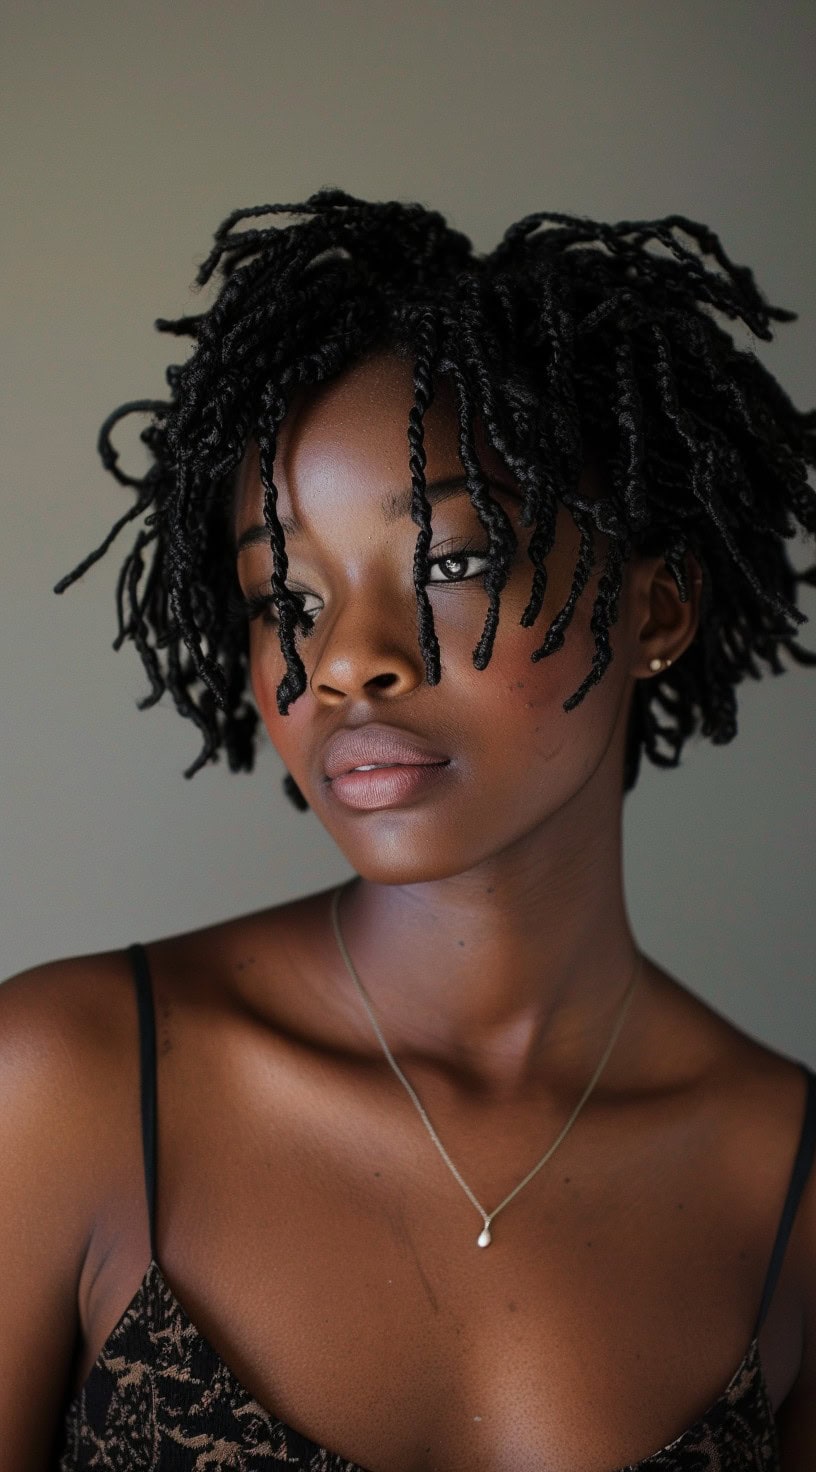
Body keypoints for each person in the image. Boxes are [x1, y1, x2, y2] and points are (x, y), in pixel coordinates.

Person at [1, 189, 814, 1470]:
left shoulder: (790, 1191)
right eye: (289, 593)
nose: (346, 661)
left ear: (657, 609)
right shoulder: (67, 1082)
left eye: (445, 565)